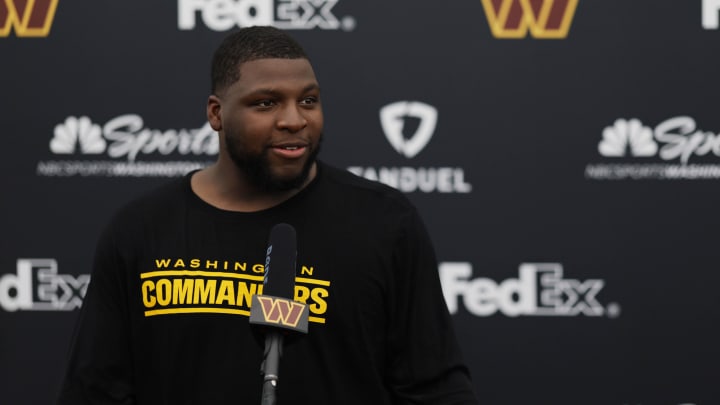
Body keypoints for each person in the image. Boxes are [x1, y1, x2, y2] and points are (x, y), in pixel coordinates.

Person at [58, 26, 478, 404]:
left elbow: (436, 392)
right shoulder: (140, 229)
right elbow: (94, 392)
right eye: (266, 103)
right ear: (216, 113)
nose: (294, 120)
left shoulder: (385, 223)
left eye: (308, 100)